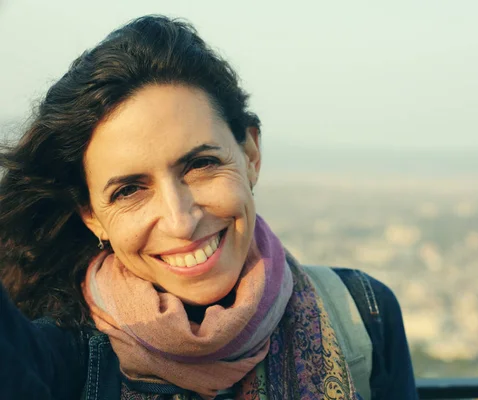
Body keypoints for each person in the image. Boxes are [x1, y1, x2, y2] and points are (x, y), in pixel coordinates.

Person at [0, 15, 417, 400]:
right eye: (129, 190)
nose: (181, 221)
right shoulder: (56, 358)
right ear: (91, 215)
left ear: (250, 153)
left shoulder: (362, 314)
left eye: (200, 165)